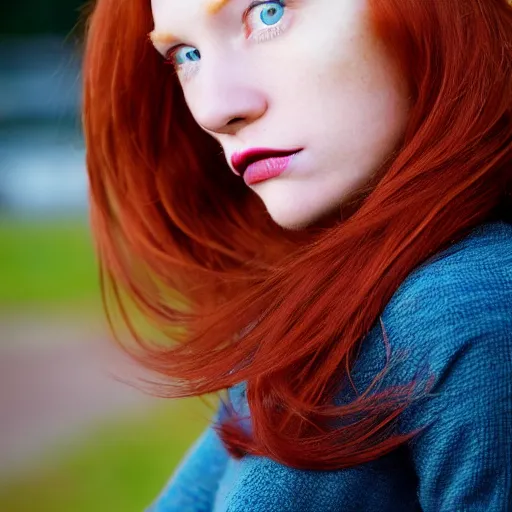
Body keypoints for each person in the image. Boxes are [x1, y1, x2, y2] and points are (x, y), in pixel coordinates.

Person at [82, 0, 512, 510]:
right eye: (185, 55)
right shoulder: (334, 303)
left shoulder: (464, 310)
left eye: (268, 13)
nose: (214, 109)